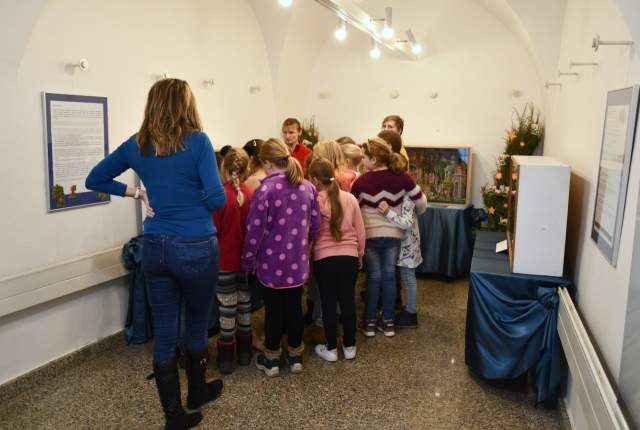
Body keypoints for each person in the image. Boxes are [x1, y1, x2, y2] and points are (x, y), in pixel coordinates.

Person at [85, 78, 225, 429]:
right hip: (195, 246)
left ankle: (174, 416)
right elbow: (217, 199)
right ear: (185, 104)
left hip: (155, 246)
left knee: (164, 330)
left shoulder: (137, 144)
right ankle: (196, 392)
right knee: (196, 323)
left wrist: (138, 193)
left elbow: (94, 179)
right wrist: (193, 197)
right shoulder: (198, 141)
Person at [241, 138, 320, 377]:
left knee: (273, 312)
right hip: (298, 262)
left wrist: (248, 260)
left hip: (271, 264)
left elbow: (254, 230)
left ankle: (272, 360)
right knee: (294, 309)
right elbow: (315, 224)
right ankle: (295, 357)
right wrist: (305, 245)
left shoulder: (265, 190)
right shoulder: (308, 187)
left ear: (266, 162)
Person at [351, 138, 426, 338]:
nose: (362, 160)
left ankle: (369, 323)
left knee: (373, 277)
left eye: (364, 157)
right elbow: (421, 202)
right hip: (393, 236)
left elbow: (352, 208)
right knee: (389, 276)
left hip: (370, 236)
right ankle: (388, 322)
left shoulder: (360, 182)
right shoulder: (403, 177)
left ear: (373, 159)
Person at [308, 158, 365, 362]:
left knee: (328, 303)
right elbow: (360, 231)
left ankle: (331, 348)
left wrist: (308, 258)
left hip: (324, 259)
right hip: (349, 257)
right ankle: (350, 346)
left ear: (315, 180)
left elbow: (311, 233)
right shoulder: (350, 198)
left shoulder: (314, 201)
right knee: (348, 301)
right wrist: (360, 254)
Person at [212, 148, 253, 374]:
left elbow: (214, 231)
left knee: (227, 310)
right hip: (246, 262)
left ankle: (226, 358)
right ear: (247, 170)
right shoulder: (251, 194)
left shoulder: (220, 197)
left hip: (224, 262)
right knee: (245, 305)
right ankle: (245, 353)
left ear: (224, 168)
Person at [377, 193, 423, 328]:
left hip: (408, 245)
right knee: (406, 277)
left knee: (408, 278)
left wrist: (388, 213)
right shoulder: (405, 194)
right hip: (406, 245)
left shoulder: (407, 197)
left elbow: (407, 223)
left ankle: (411, 313)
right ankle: (408, 308)